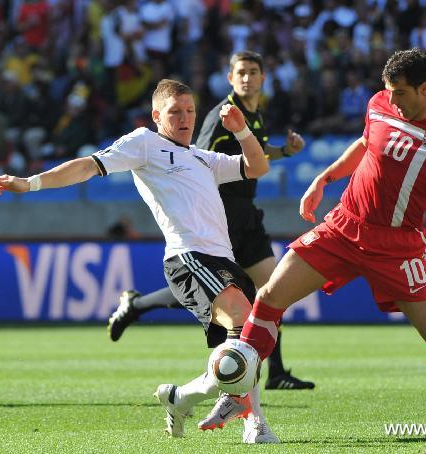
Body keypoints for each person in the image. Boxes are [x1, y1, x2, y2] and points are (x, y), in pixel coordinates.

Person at [209, 48, 426, 440]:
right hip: (344, 227)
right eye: (388, 91)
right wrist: (324, 178)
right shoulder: (380, 103)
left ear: (425, 89)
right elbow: (366, 142)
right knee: (269, 296)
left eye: (401, 93)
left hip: (398, 246)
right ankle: (240, 394)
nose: (392, 99)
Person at [0, 79, 279, 444]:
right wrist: (30, 183)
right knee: (241, 317)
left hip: (223, 258)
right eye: (175, 112)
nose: (185, 118)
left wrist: (242, 132)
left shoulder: (203, 158)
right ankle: (248, 416)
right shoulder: (145, 143)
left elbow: (257, 168)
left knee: (250, 338)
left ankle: (183, 397)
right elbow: (87, 167)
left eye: (190, 111)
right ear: (157, 115)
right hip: (189, 256)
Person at [107, 50, 315, 391]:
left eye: (253, 72)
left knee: (269, 293)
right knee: (238, 293)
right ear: (230, 79)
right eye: (240, 72)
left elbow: (254, 155)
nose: (247, 78)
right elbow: (195, 159)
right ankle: (256, 375)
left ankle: (270, 372)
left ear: (264, 78)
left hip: (248, 213)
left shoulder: (253, 115)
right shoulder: (223, 116)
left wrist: (284, 152)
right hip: (223, 213)